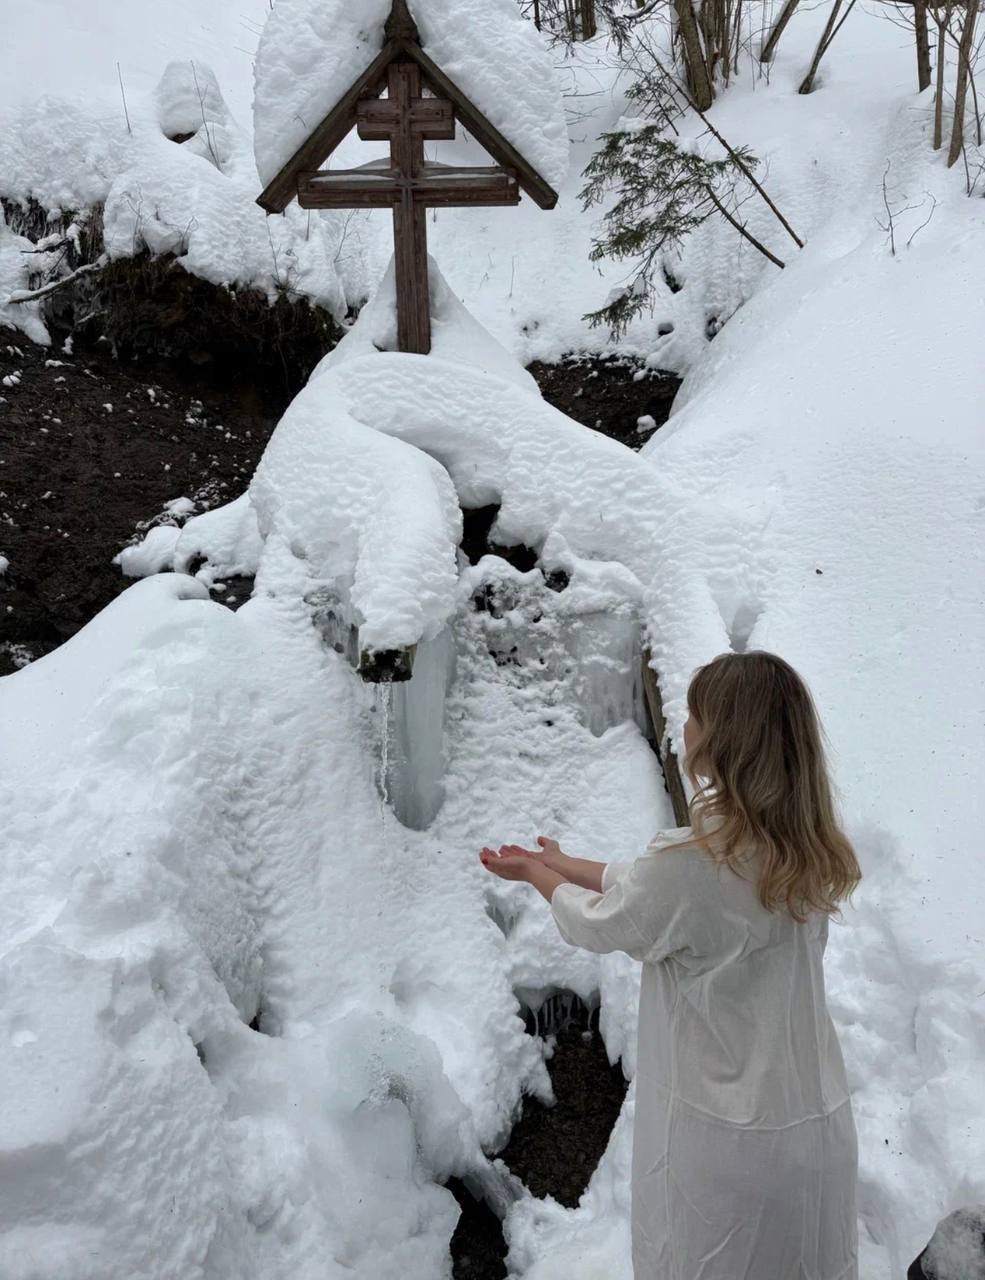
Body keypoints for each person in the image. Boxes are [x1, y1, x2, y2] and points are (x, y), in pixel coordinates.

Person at [480, 650, 862, 1280]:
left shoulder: (691, 866)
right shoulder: (805, 852)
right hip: (815, 1126)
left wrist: (536, 876)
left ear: (724, 741)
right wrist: (566, 861)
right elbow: (650, 891)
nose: (683, 725)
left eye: (694, 713)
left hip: (728, 1142)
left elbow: (603, 921)